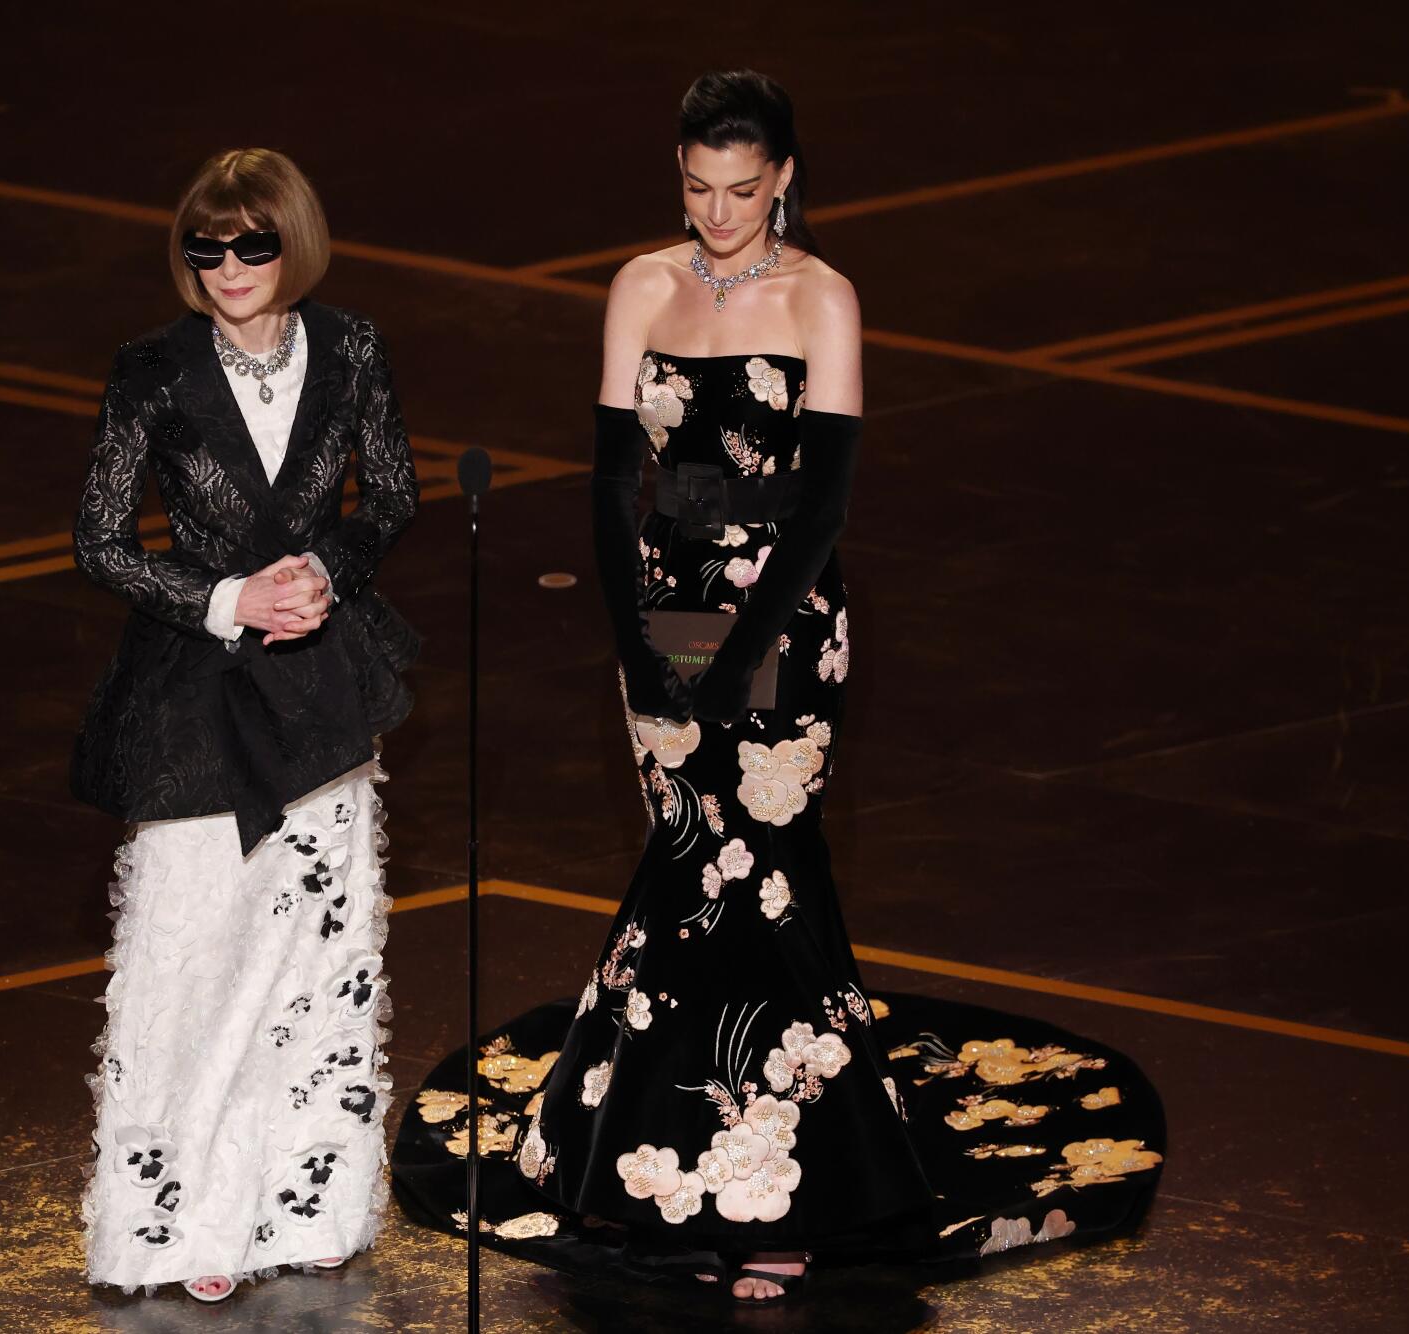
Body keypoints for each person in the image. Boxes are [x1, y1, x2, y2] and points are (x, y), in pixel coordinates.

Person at [392, 70, 1163, 1307]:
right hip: (667, 596)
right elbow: (604, 483)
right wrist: (639, 640)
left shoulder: (823, 299)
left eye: (742, 190)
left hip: (783, 607)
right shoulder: (640, 284)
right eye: (696, 187)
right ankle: (661, 1162)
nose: (717, 211)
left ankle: (785, 1184)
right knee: (688, 863)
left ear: (785, 179)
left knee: (763, 868)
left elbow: (823, 503)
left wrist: (736, 643)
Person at [68, 148, 420, 1304]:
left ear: (292, 244)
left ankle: (308, 1200)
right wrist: (228, 599)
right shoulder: (151, 373)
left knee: (316, 957)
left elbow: (394, 495)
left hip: (322, 687)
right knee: (199, 957)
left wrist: (324, 565)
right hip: (193, 697)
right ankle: (180, 1221)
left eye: (251, 244)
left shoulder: (353, 346)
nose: (226, 267)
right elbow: (101, 539)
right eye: (204, 247)